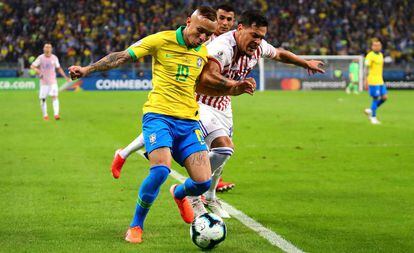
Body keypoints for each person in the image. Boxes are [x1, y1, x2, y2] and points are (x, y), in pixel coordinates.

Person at [68, 7, 254, 244]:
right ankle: (136, 225)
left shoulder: (202, 52)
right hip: (158, 117)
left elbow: (198, 86)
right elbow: (122, 56)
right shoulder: (161, 40)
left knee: (203, 182)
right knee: (160, 170)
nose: (203, 38)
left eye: (208, 34)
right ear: (188, 22)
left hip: (188, 122)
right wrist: (86, 69)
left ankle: (178, 193)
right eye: (199, 31)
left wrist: (233, 89)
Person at [191, 10, 325, 218]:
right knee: (224, 148)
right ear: (241, 28)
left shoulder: (258, 47)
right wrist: (236, 84)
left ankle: (209, 196)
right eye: (254, 35)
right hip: (201, 102)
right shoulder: (222, 46)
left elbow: (279, 53)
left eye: (261, 37)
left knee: (222, 160)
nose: (257, 41)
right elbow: (208, 77)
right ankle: (189, 193)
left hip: (224, 105)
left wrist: (305, 62)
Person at [111, 4, 237, 192]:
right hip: (194, 101)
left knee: (215, 145)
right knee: (216, 143)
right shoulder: (203, 40)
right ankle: (200, 185)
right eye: (222, 18)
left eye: (229, 19)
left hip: (201, 99)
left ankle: (125, 153)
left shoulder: (221, 42)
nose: (225, 23)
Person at [31, 43, 70, 120]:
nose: (47, 49)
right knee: (43, 99)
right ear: (43, 49)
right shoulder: (40, 58)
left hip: (53, 82)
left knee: (54, 97)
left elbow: (58, 68)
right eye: (46, 47)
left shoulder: (54, 58)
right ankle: (45, 115)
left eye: (49, 47)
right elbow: (32, 66)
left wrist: (65, 77)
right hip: (44, 82)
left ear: (51, 49)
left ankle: (56, 114)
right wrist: (38, 71)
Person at [364, 39, 387, 124]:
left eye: (379, 45)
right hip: (373, 80)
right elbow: (366, 68)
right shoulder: (370, 55)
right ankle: (373, 117)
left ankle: (370, 110)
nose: (377, 47)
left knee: (384, 98)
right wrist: (365, 80)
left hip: (380, 80)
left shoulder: (381, 55)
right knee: (376, 98)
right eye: (375, 45)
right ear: (372, 46)